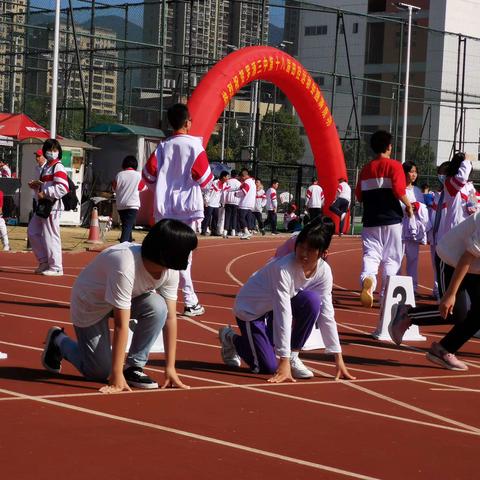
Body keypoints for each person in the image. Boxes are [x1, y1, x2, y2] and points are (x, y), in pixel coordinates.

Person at [41, 219, 195, 392]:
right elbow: (121, 325)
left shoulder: (169, 271)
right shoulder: (125, 264)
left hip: (126, 298)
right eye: (187, 251)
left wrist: (170, 368)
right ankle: (58, 340)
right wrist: (115, 375)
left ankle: (133, 367)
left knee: (158, 307)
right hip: (91, 303)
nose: (189, 256)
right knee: (99, 372)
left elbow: (170, 317)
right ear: (168, 251)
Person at [218, 216, 355, 382]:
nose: (303, 254)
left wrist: (338, 357)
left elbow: (327, 314)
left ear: (323, 253)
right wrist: (282, 362)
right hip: (251, 309)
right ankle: (230, 338)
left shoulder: (324, 272)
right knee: (266, 367)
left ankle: (294, 356)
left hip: (273, 307)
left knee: (312, 301)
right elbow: (284, 312)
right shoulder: (283, 268)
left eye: (310, 250)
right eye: (301, 246)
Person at [142, 103, 213, 317]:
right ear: (187, 122)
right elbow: (205, 179)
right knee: (184, 258)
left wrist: (162, 190)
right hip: (187, 209)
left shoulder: (162, 147)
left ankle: (153, 295)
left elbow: (147, 175)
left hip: (165, 209)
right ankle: (189, 301)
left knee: (162, 253)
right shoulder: (194, 146)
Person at [389, 210, 480, 371]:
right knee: (457, 312)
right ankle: (407, 314)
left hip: (475, 267)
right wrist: (451, 294)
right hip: (452, 259)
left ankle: (444, 349)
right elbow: (467, 257)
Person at [355, 130, 413, 307]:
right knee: (392, 259)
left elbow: (359, 196)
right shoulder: (394, 166)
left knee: (371, 256)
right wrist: (408, 206)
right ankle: (388, 296)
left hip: (370, 221)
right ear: (389, 146)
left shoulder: (365, 169)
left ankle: (369, 279)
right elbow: (398, 189)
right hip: (392, 221)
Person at [27, 138, 68, 276]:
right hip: (43, 206)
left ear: (59, 152)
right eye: (49, 150)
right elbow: (46, 185)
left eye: (55, 150)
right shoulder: (46, 167)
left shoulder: (58, 167)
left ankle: (56, 267)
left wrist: (45, 192)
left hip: (52, 206)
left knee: (51, 235)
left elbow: (63, 188)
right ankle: (44, 261)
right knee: (33, 231)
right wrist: (36, 186)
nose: (52, 152)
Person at [398, 161, 430, 293]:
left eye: (415, 172)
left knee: (413, 259)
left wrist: (418, 207)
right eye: (411, 171)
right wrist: (407, 207)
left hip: (413, 231)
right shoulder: (398, 189)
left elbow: (423, 209)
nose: (414, 174)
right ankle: (396, 286)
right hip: (399, 229)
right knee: (397, 259)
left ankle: (413, 287)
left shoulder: (417, 191)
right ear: (404, 173)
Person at [112, 155, 146, 243]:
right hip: (132, 204)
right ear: (135, 165)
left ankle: (128, 243)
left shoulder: (119, 175)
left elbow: (114, 188)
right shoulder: (138, 175)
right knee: (127, 227)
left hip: (121, 204)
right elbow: (142, 187)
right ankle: (123, 245)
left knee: (126, 225)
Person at [201, 170, 229, 236]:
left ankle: (214, 231)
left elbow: (226, 192)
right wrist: (206, 201)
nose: (228, 178)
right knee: (207, 217)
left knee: (215, 218)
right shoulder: (214, 183)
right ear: (223, 177)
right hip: (210, 203)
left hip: (216, 204)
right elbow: (208, 192)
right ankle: (203, 230)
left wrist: (222, 203)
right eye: (227, 176)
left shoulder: (225, 184)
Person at [236, 168, 256, 240]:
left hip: (245, 203)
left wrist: (236, 194)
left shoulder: (247, 182)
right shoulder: (252, 182)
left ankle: (246, 232)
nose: (241, 179)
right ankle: (247, 232)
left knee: (241, 218)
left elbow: (244, 192)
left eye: (241, 177)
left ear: (243, 176)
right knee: (246, 219)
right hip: (250, 203)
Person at [222, 170, 241, 238]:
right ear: (236, 175)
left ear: (231, 175)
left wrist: (223, 201)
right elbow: (240, 192)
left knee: (227, 216)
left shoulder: (227, 182)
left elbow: (224, 192)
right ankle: (233, 231)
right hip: (236, 202)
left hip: (228, 201)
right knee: (234, 217)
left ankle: (225, 231)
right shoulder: (239, 183)